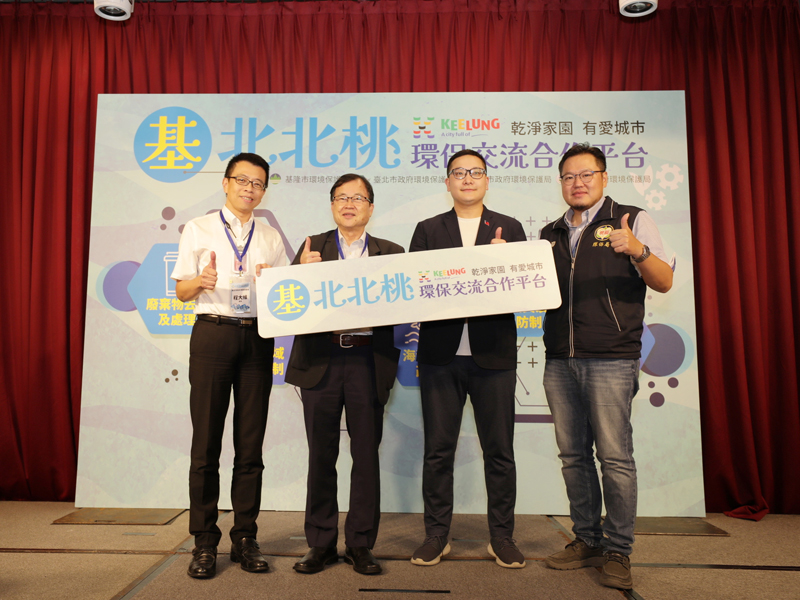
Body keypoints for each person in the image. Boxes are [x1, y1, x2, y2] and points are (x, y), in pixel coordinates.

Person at [540, 143, 674, 590]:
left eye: (586, 175)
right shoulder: (549, 233)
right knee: (573, 457)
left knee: (615, 458)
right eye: (569, 176)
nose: (577, 183)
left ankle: (619, 549)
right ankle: (587, 539)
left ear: (603, 177)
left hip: (612, 358)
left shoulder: (630, 219)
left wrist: (638, 251)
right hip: (560, 359)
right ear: (561, 182)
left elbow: (664, 280)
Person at [408, 149, 527, 569]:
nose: (468, 179)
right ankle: (437, 535)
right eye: (459, 172)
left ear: (487, 180)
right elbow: (416, 287)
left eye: (476, 172)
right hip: (440, 356)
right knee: (438, 451)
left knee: (500, 452)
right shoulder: (427, 229)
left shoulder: (510, 227)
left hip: (493, 355)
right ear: (447, 182)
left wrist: (503, 264)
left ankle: (502, 537)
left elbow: (525, 288)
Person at [171, 152, 287, 579]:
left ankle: (245, 538)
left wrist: (271, 286)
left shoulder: (270, 236)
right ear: (225, 183)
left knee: (250, 445)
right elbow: (181, 291)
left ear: (264, 190)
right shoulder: (198, 228)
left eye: (257, 183)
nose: (249, 189)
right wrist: (199, 282)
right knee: (205, 445)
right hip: (213, 334)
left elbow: (285, 298)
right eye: (242, 180)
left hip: (256, 339)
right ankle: (204, 542)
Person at [286, 174, 404, 576]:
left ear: (371, 207)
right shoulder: (311, 248)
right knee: (321, 454)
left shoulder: (392, 253)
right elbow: (286, 303)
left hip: (368, 360)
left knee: (366, 455)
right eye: (342, 197)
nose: (349, 204)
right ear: (332, 204)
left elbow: (405, 308)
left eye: (358, 197)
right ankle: (320, 543)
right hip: (321, 360)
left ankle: (360, 543)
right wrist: (300, 274)